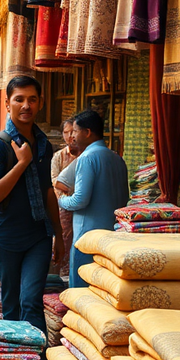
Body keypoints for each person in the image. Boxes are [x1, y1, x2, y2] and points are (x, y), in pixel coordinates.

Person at [0, 75, 63, 336]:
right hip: (6, 236)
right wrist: (21, 164)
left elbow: (48, 191)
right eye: (19, 99)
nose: (26, 105)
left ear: (40, 104)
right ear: (7, 104)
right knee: (12, 304)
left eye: (32, 99)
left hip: (38, 234)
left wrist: (59, 235)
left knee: (31, 301)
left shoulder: (44, 145)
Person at [56, 110, 129, 288]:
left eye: (75, 131)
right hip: (114, 236)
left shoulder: (87, 158)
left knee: (81, 291)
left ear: (87, 132)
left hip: (87, 238)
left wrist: (61, 200)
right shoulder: (117, 159)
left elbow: (80, 200)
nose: (72, 136)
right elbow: (124, 199)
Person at [51, 119, 81, 274]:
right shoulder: (59, 156)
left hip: (82, 201)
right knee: (63, 236)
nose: (70, 136)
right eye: (66, 132)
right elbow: (54, 180)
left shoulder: (86, 155)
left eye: (73, 131)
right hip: (63, 203)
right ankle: (61, 270)